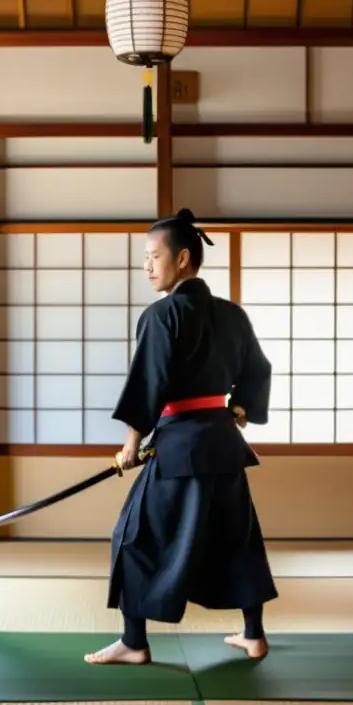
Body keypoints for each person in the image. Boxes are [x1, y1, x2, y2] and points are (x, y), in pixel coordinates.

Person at [84, 207, 279, 666]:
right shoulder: (232, 315)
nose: (147, 266)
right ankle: (253, 635)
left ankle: (134, 642)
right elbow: (258, 369)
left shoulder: (161, 316)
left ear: (183, 259)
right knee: (237, 537)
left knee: (132, 536)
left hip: (178, 450)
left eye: (154, 256)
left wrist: (131, 444)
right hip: (223, 446)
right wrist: (241, 407)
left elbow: (147, 383)